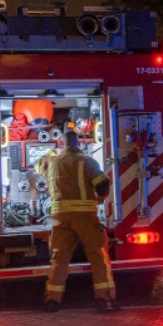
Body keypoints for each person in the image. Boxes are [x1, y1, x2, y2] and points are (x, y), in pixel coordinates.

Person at [39, 131, 117, 312]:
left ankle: (52, 300)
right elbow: (103, 184)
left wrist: (52, 152)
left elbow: (38, 165)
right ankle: (104, 299)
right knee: (97, 256)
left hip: (60, 220)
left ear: (62, 144)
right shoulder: (87, 161)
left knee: (59, 259)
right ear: (78, 143)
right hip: (85, 218)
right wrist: (100, 197)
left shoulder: (51, 164)